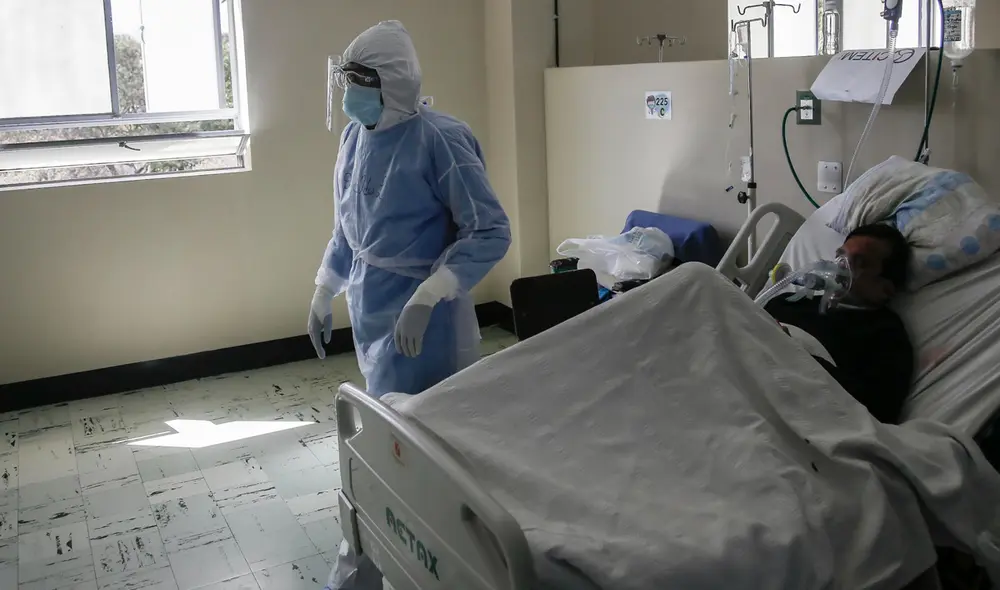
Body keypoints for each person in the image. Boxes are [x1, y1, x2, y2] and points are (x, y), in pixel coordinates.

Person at [308, 21, 511, 399]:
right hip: (369, 304)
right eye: (346, 79)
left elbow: (489, 230)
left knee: (430, 423)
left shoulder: (441, 139)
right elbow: (349, 228)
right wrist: (324, 289)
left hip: (429, 319)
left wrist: (428, 295)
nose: (348, 92)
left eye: (358, 80)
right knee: (389, 416)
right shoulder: (354, 138)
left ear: (392, 83)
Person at [765, 223, 914, 424]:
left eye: (860, 262)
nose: (841, 265)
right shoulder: (786, 303)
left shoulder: (885, 337)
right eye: (840, 254)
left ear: (885, 289)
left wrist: (792, 352)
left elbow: (876, 414)